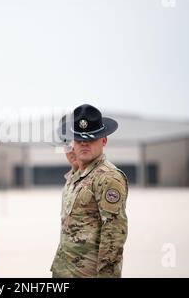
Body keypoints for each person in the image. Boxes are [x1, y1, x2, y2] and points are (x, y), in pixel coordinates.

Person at [51, 104, 128, 278]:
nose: (84, 143)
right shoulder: (77, 176)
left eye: (91, 138)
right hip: (66, 271)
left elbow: (114, 235)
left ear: (104, 140)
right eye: (78, 139)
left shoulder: (108, 178)